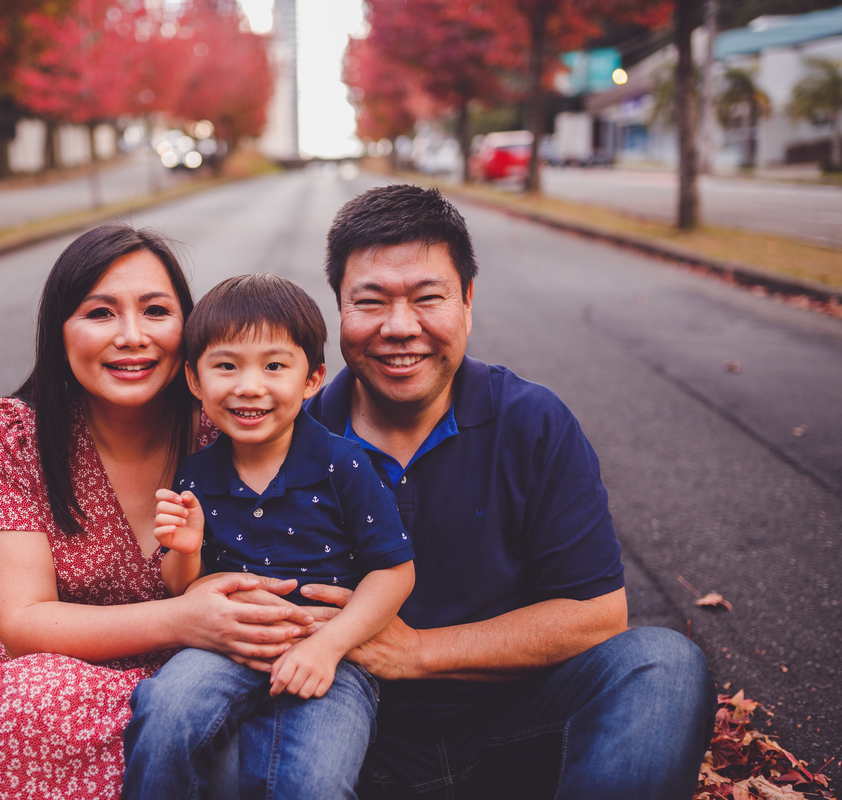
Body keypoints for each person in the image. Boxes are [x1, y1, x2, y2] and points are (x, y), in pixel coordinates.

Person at [292, 184, 717, 799]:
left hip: (514, 731)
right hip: (345, 741)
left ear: (467, 301)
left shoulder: (532, 422)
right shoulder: (290, 440)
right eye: (370, 301)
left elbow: (596, 616)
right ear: (339, 308)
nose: (400, 327)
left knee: (665, 666)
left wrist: (418, 652)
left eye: (428, 298)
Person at [0, 225, 315, 800]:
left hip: (203, 680)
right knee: (34, 700)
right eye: (100, 313)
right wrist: (181, 618)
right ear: (59, 331)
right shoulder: (22, 437)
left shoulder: (235, 425)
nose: (132, 337)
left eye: (156, 311)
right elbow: (23, 623)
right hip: (59, 684)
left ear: (188, 327)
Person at [122, 274, 415, 799]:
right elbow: (183, 588)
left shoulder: (343, 464)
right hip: (225, 645)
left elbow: (394, 571)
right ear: (194, 379)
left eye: (274, 366)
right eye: (226, 366)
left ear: (312, 379)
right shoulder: (196, 474)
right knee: (165, 712)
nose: (250, 386)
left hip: (333, 655)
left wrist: (329, 646)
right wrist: (185, 552)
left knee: (313, 781)